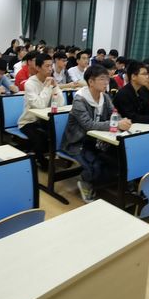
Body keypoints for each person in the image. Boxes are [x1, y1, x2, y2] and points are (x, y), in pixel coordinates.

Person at [61, 64, 132, 202]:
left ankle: (108, 183)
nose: (106, 82)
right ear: (91, 82)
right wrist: (116, 124)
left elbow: (114, 114)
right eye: (102, 79)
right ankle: (85, 182)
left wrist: (122, 121)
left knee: (117, 159)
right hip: (78, 142)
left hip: (97, 140)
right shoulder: (79, 100)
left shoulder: (104, 97)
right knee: (95, 165)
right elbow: (88, 125)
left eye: (107, 79)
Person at [18, 54, 65, 170]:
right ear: (38, 68)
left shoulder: (50, 81)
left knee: (60, 131)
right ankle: (41, 162)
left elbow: (60, 103)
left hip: (44, 119)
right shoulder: (30, 84)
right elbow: (40, 105)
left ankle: (59, 157)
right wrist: (48, 87)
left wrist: (55, 87)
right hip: (28, 121)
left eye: (51, 66)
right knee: (40, 137)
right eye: (47, 66)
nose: (50, 69)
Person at [113, 60, 149, 125]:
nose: (147, 77)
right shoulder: (123, 94)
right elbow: (131, 117)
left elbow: (147, 112)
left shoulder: (140, 92)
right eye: (144, 74)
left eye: (147, 74)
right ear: (133, 77)